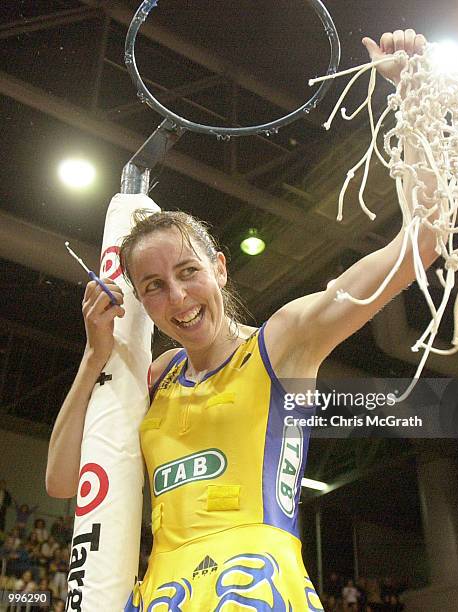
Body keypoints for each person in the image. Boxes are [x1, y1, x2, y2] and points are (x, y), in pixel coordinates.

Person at [47, 30, 435, 610]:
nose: (177, 298)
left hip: (258, 585)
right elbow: (62, 481)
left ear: (220, 269)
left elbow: (419, 243)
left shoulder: (285, 343)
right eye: (153, 287)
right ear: (143, 304)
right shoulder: (153, 376)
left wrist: (411, 97)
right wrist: (94, 356)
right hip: (160, 593)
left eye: (187, 272)